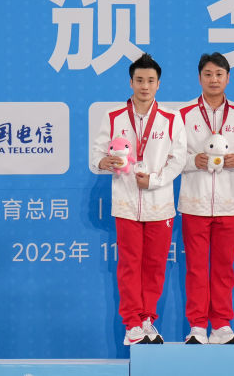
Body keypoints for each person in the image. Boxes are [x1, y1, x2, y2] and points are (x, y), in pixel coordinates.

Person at [89, 53, 188, 346]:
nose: (145, 86)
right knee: (130, 265)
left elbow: (178, 159)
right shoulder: (114, 117)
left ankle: (147, 319)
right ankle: (132, 323)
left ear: (159, 84)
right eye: (140, 80)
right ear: (130, 82)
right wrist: (103, 162)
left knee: (155, 266)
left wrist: (155, 180)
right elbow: (96, 156)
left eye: (150, 81)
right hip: (126, 202)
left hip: (160, 202)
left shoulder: (172, 118)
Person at [177, 52, 234, 345]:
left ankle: (221, 324)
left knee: (223, 268)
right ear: (199, 78)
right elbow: (172, 156)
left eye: (219, 74)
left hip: (228, 204)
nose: (213, 79)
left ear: (228, 78)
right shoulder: (183, 114)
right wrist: (193, 160)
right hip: (194, 202)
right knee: (196, 268)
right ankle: (197, 326)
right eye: (208, 74)